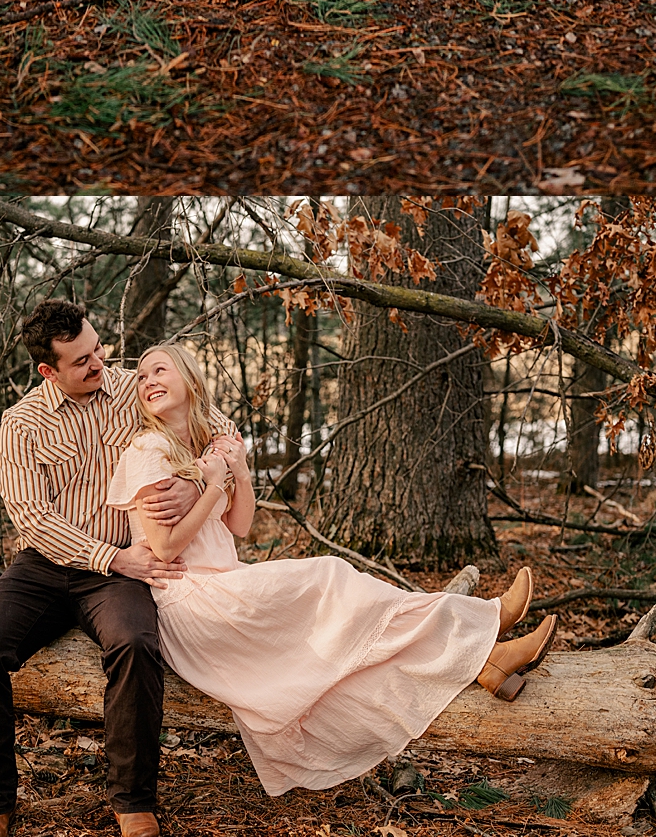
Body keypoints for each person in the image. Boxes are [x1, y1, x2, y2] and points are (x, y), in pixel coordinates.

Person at [103, 340, 557, 803]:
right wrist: (213, 481)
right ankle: (483, 621)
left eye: (158, 370)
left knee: (339, 644)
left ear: (190, 378)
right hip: (190, 598)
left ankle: (486, 660)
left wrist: (237, 471)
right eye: (140, 377)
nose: (147, 382)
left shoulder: (204, 446)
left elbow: (239, 525)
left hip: (227, 583)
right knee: (330, 578)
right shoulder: (149, 447)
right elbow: (163, 546)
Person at [0, 300, 239, 837]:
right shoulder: (22, 423)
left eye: (98, 348)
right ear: (48, 370)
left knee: (134, 642)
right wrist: (112, 558)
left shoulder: (132, 387)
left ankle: (133, 800)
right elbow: (32, 518)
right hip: (47, 565)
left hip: (121, 568)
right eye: (81, 360)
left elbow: (218, 425)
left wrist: (205, 471)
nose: (98, 363)